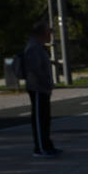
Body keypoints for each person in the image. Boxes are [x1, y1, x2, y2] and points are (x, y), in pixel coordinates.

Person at [20, 20, 59, 158]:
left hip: (43, 88)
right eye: (48, 31)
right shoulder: (33, 47)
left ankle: (47, 144)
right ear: (42, 33)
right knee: (39, 119)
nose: (50, 34)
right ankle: (40, 148)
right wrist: (45, 82)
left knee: (45, 119)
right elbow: (35, 69)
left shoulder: (39, 46)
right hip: (37, 88)